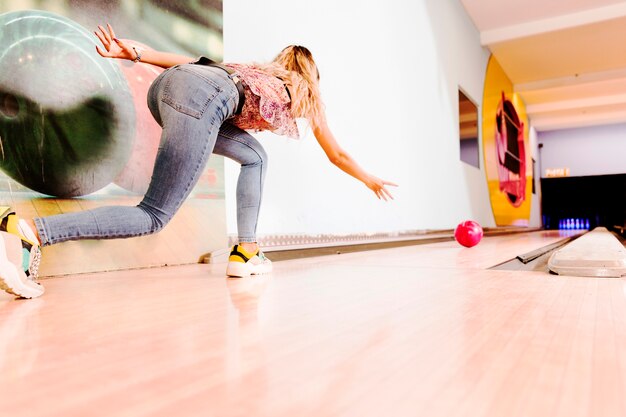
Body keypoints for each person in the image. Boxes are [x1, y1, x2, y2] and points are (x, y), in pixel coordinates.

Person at [0, 24, 397, 299]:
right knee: (153, 215)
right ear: (311, 75)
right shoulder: (305, 90)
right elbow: (336, 152)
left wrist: (137, 53)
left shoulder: (253, 70)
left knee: (255, 156)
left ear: (282, 61)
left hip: (167, 91)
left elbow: (194, 64)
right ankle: (28, 230)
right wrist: (369, 178)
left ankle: (247, 249)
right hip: (200, 102)